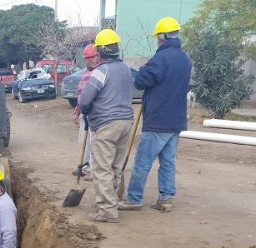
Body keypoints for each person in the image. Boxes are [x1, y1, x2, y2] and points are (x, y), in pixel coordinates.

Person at [120, 17, 191, 213]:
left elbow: (141, 82)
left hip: (158, 120)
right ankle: (166, 198)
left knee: (142, 162)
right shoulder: (184, 58)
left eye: (157, 37)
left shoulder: (160, 58)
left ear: (162, 37)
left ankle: (134, 199)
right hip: (176, 120)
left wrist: (144, 68)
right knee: (167, 161)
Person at [78, 29, 134, 223]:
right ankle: (114, 201)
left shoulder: (101, 71)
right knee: (116, 166)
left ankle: (107, 211)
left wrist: (84, 110)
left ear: (100, 51)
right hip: (126, 122)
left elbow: (85, 99)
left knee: (102, 169)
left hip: (106, 124)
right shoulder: (125, 68)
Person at [72, 44, 101, 180]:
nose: (90, 60)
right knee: (84, 141)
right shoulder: (85, 73)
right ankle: (83, 166)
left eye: (92, 57)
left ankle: (93, 169)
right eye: (87, 58)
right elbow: (81, 95)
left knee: (94, 141)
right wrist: (77, 111)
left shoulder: (100, 72)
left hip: (95, 113)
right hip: (85, 113)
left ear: (98, 56)